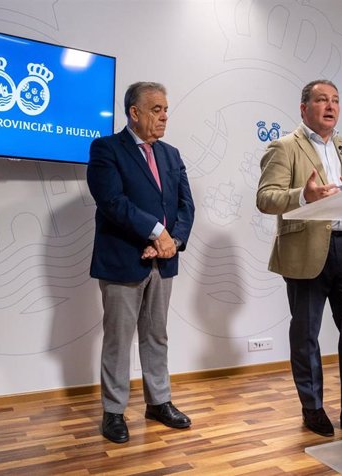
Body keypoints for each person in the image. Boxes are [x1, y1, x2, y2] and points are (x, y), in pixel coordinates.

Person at [256, 79, 342, 437]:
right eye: (322, 99)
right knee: (307, 334)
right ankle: (312, 408)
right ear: (304, 107)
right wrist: (304, 196)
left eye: (336, 100)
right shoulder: (283, 146)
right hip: (305, 252)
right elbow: (266, 198)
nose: (331, 106)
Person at [87, 81, 195, 443]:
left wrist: (172, 241)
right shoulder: (106, 149)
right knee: (118, 339)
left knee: (156, 335)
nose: (164, 117)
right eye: (156, 110)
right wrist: (156, 233)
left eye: (166, 110)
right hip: (122, 260)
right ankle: (114, 412)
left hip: (162, 261)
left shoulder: (171, 154)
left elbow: (185, 206)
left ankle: (158, 402)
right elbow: (112, 202)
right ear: (134, 113)